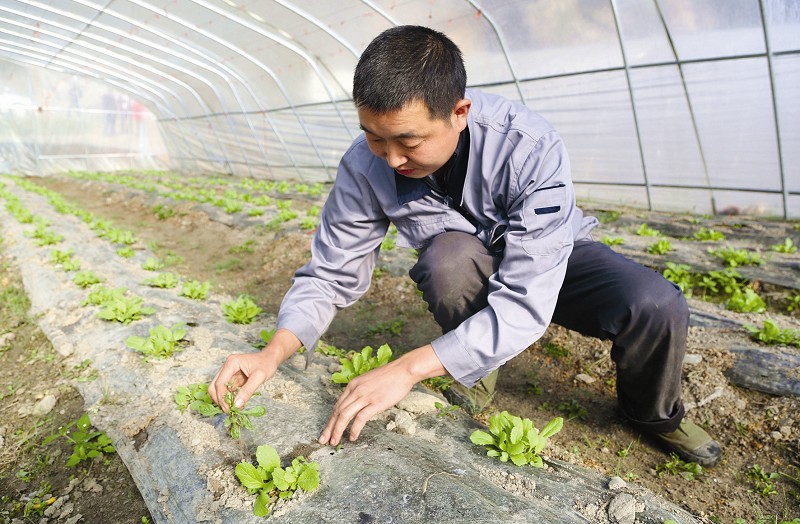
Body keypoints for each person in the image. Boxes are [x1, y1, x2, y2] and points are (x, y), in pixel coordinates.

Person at [209, 25, 722, 468]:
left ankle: (652, 415)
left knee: (655, 304)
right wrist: (273, 352)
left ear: (459, 111)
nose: (390, 159)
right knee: (447, 261)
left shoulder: (529, 146)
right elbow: (328, 273)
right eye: (373, 137)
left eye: (408, 142)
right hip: (466, 261)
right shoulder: (365, 166)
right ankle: (474, 368)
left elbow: (525, 299)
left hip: (550, 256)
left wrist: (406, 368)